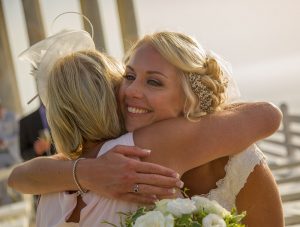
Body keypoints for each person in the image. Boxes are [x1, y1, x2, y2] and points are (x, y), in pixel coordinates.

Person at [8, 30, 283, 226]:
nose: (130, 91)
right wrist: (89, 172)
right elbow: (22, 176)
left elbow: (268, 114)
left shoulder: (240, 163)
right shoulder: (118, 154)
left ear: (190, 98)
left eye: (154, 82)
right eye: (128, 76)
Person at [0, 99, 21, 167]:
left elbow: (20, 135)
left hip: (16, 153)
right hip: (4, 154)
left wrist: (5, 141)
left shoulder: (13, 116)